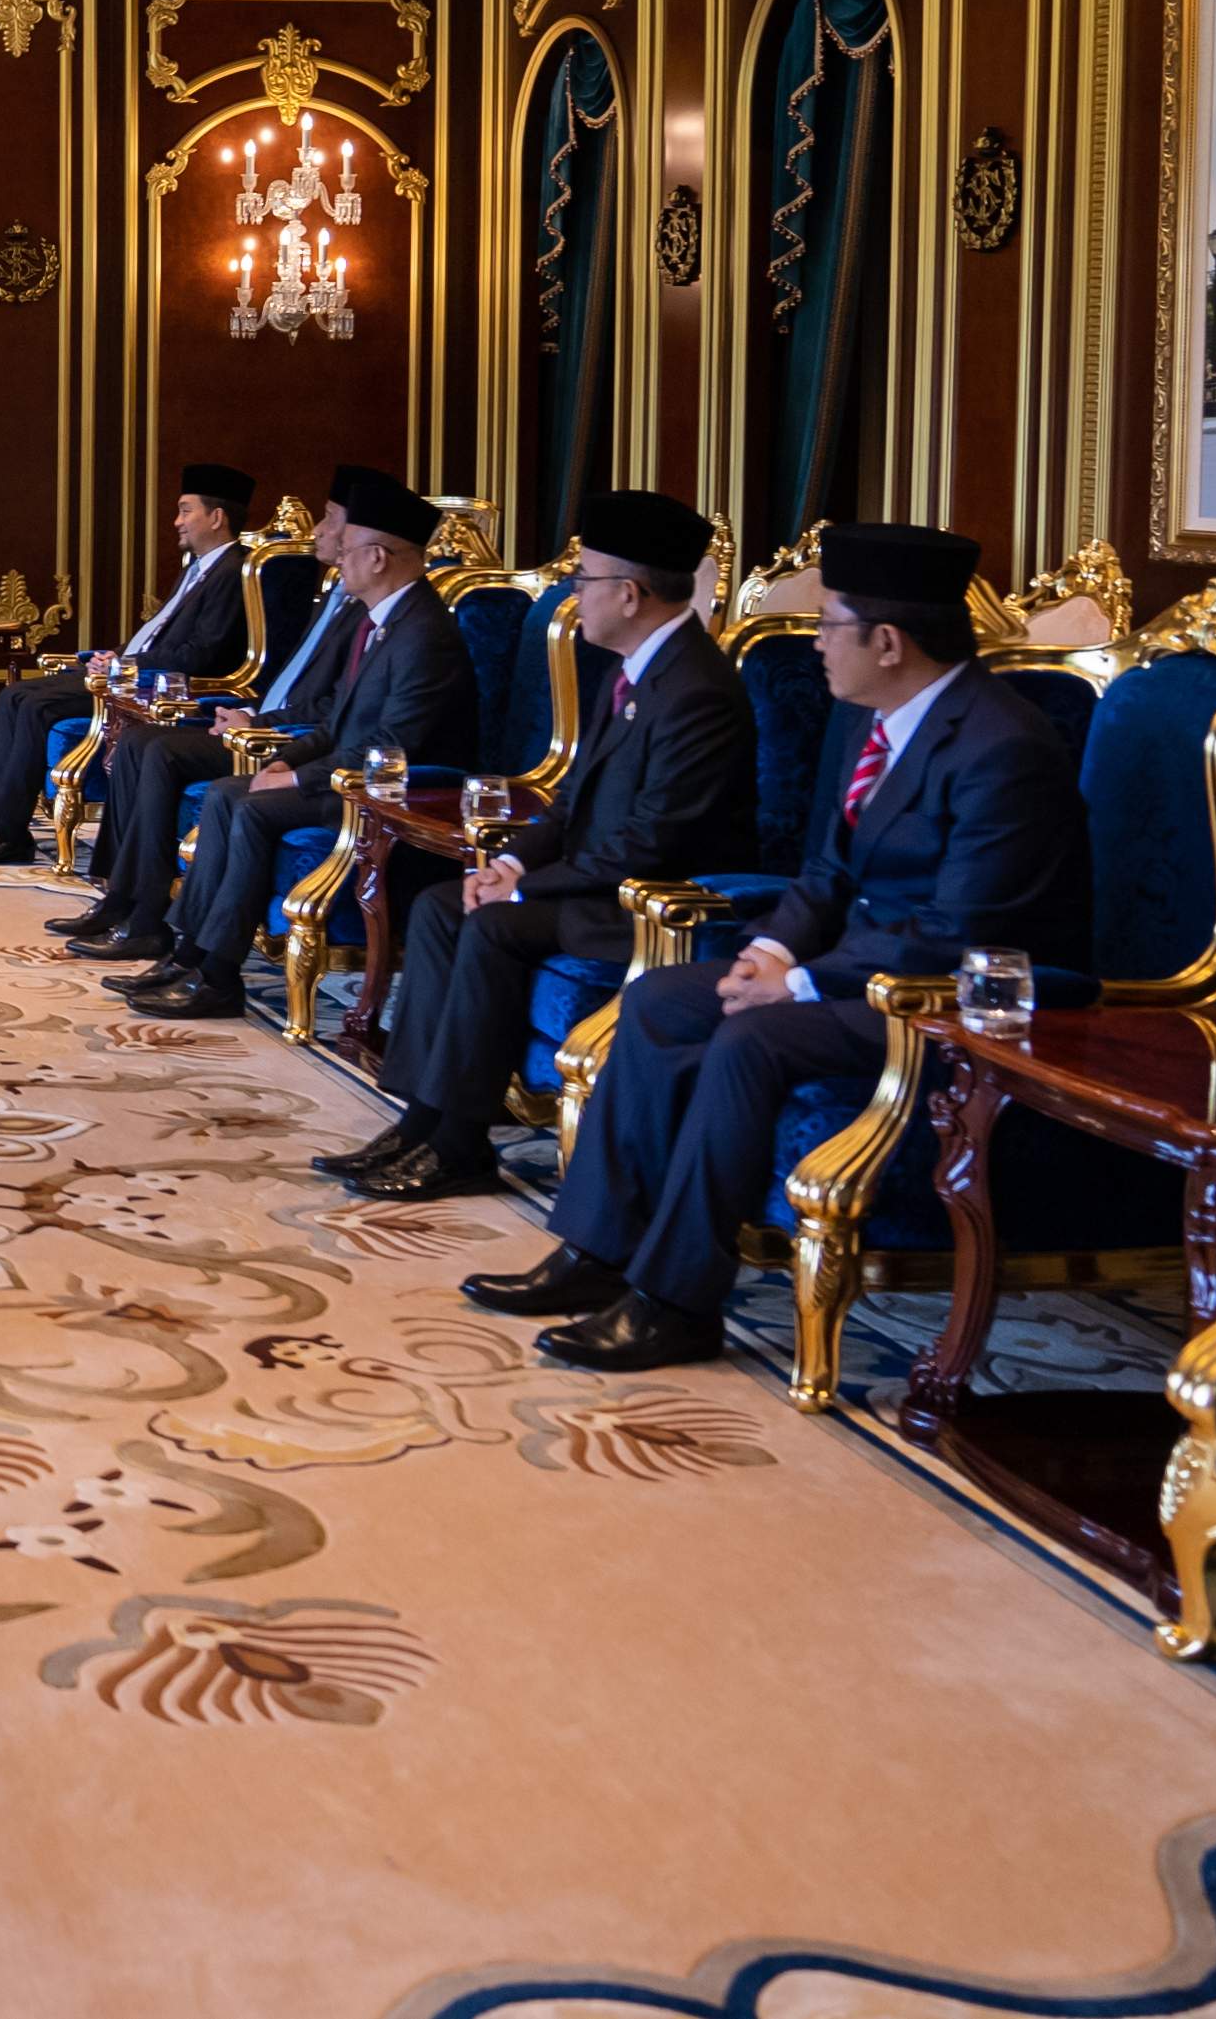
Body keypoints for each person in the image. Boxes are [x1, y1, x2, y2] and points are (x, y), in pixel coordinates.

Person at [465, 523, 1094, 1374]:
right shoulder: (872, 719)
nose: (817, 645)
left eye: (829, 624)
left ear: (885, 639)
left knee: (751, 1037)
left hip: (955, 1003)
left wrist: (798, 981)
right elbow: (824, 872)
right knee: (657, 999)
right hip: (848, 972)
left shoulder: (1001, 745)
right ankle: (593, 1253)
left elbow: (960, 933)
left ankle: (675, 1302)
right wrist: (765, 949)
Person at [318, 489, 756, 1200]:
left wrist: (524, 888)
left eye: (582, 581)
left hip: (654, 907)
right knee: (438, 905)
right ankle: (420, 1118)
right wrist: (512, 861)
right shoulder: (636, 667)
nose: (572, 596)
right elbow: (573, 796)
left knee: (492, 926)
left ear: (628, 592)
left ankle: (459, 1142)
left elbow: (655, 839)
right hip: (595, 884)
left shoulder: (695, 687)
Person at [109, 464, 480, 1021]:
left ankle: (217, 977)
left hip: (389, 795)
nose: (335, 557)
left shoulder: (425, 635)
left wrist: (300, 777)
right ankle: (189, 955)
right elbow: (336, 720)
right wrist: (285, 758)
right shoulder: (377, 621)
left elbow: (390, 748)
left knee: (251, 809)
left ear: (378, 557)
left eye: (348, 546)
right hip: (342, 770)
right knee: (227, 793)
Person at [0, 462, 253, 865]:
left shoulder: (232, 571)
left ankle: (9, 833)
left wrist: (127, 666)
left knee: (36, 705)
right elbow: (160, 631)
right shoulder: (199, 566)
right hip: (130, 670)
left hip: (149, 685)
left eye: (185, 510)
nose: (176, 522)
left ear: (217, 517)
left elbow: (202, 653)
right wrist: (117, 654)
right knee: (15, 696)